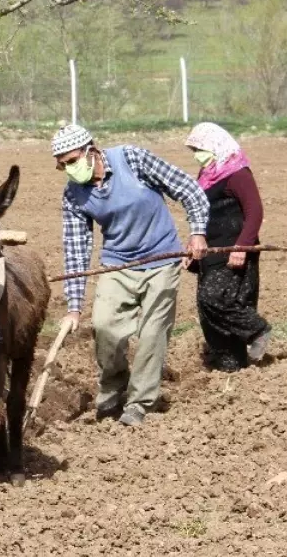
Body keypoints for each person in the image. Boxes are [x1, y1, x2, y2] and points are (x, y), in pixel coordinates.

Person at [53, 124, 210, 427]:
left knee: (153, 333)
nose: (68, 169)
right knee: (104, 326)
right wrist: (74, 307)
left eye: (72, 160)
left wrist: (198, 233)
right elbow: (76, 249)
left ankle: (139, 402)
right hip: (118, 265)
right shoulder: (74, 195)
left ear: (91, 150)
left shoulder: (132, 159)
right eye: (62, 165)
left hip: (161, 259)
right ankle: (113, 388)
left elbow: (188, 189)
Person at [184, 123, 272, 371]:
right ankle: (230, 363)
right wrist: (192, 244)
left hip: (233, 249)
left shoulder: (238, 174)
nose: (197, 155)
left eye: (199, 149)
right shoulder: (207, 175)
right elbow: (199, 215)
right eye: (194, 150)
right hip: (209, 253)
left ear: (215, 145)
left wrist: (241, 247)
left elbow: (255, 212)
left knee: (214, 298)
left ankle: (257, 330)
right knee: (206, 309)